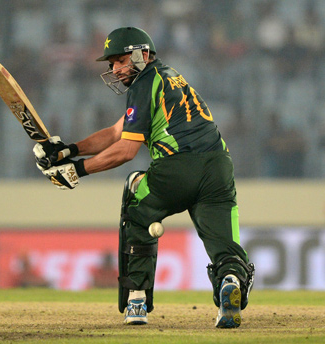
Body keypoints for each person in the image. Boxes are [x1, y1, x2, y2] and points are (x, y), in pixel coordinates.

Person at [33, 27, 254, 328]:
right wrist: (68, 151)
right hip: (219, 167)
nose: (114, 69)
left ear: (142, 54)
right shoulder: (168, 76)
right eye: (111, 63)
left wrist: (77, 170)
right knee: (225, 244)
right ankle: (231, 283)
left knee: (136, 200)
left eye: (119, 60)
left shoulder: (144, 83)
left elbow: (125, 150)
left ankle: (136, 300)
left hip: (177, 168)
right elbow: (114, 132)